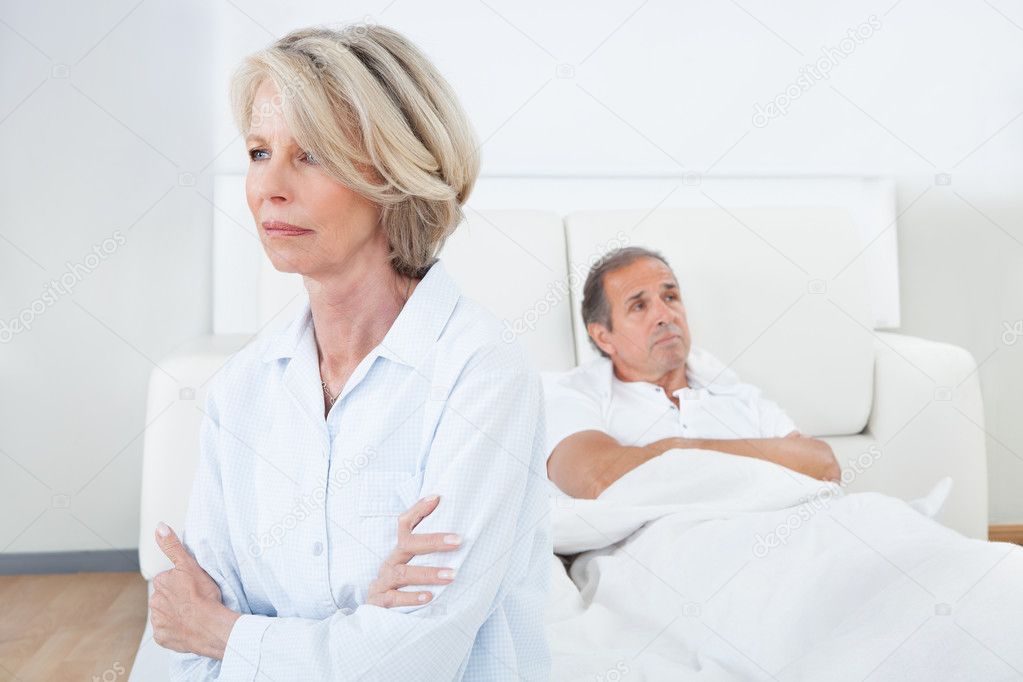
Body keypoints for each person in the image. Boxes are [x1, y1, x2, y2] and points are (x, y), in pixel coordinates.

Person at [147, 25, 550, 680]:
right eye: (258, 152)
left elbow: (416, 658)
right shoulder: (241, 389)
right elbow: (190, 645)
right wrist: (357, 631)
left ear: (395, 173)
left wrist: (229, 634)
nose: (269, 186)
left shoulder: (480, 374)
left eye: (310, 156)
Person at [545, 246, 840, 499]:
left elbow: (823, 465)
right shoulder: (576, 394)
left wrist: (681, 448)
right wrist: (754, 458)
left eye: (670, 297)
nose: (665, 315)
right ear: (603, 337)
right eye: (639, 306)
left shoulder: (736, 392)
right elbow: (595, 477)